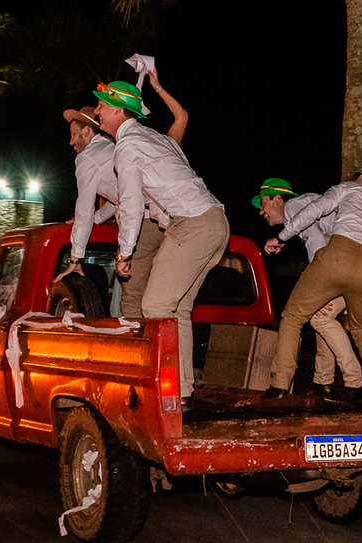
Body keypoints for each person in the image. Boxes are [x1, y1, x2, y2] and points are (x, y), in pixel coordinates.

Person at [93, 80, 229, 410]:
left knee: (154, 307)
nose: (96, 111)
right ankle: (182, 392)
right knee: (177, 308)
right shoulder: (155, 138)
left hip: (194, 224)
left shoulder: (127, 147)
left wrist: (125, 252)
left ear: (117, 110)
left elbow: (129, 203)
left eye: (100, 106)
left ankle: (165, 393)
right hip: (216, 222)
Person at [264, 161, 362, 408]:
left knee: (293, 317)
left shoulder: (347, 188)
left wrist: (281, 237)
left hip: (338, 255)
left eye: (357, 176)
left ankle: (279, 386)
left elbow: (313, 211)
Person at [55, 70, 189, 319]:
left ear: (88, 132)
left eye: (73, 134)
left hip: (145, 225)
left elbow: (84, 208)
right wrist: (97, 219)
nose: (71, 142)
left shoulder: (88, 158)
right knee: (160, 296)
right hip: (171, 222)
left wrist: (75, 258)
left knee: (132, 297)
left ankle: (138, 340)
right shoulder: (115, 149)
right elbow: (119, 198)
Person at [254, 177, 362, 396]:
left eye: (263, 202)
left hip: (337, 265)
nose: (261, 211)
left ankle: (280, 383)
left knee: (292, 317)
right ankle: (323, 381)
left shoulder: (294, 205)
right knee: (321, 317)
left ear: (278, 199)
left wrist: (318, 278)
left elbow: (317, 240)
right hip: (359, 264)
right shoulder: (308, 203)